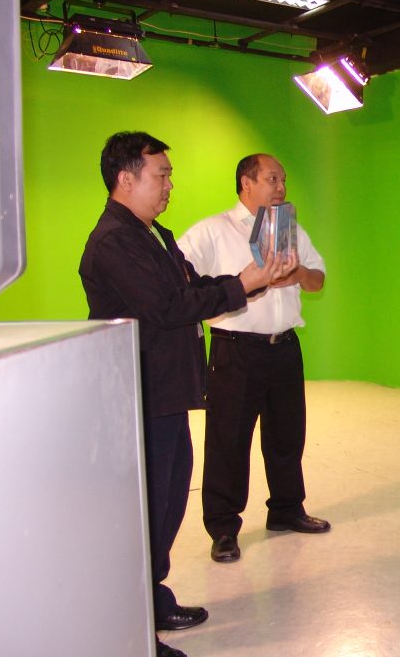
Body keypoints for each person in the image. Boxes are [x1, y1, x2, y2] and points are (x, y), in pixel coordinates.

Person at [79, 132, 288, 657]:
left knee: (169, 500)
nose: (170, 184)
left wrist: (249, 281)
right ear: (126, 179)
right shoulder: (114, 242)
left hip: (168, 392)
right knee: (147, 510)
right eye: (162, 175)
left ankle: (152, 596)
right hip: (142, 395)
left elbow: (191, 287)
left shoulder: (152, 234)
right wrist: (241, 286)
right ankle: (134, 631)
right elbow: (169, 308)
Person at [178, 154, 329, 564]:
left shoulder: (290, 229)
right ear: (246, 183)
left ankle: (286, 509)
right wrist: (233, 284)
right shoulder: (213, 230)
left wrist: (299, 274)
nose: (281, 187)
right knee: (228, 442)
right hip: (236, 349)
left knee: (287, 436)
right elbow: (180, 275)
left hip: (285, 347)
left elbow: (318, 280)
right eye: (272, 179)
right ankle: (223, 528)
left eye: (283, 180)